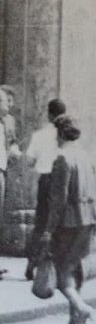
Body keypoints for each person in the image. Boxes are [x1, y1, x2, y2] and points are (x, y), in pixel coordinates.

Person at [41, 116, 96, 324]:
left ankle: (81, 308)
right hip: (88, 219)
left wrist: (49, 229)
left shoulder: (62, 158)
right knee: (77, 269)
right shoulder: (86, 157)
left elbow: (58, 200)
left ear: (61, 133)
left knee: (63, 274)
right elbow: (95, 190)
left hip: (68, 223)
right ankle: (75, 320)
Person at [23, 98, 66, 281]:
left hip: (45, 181)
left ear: (49, 115)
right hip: (62, 181)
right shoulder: (65, 136)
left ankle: (32, 263)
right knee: (59, 223)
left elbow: (30, 161)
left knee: (41, 223)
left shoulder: (39, 135)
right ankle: (57, 267)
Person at [0, 86, 21, 247]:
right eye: (6, 101)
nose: (10, 105)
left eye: (11, 101)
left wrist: (14, 150)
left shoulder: (9, 121)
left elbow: (12, 142)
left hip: (2, 170)